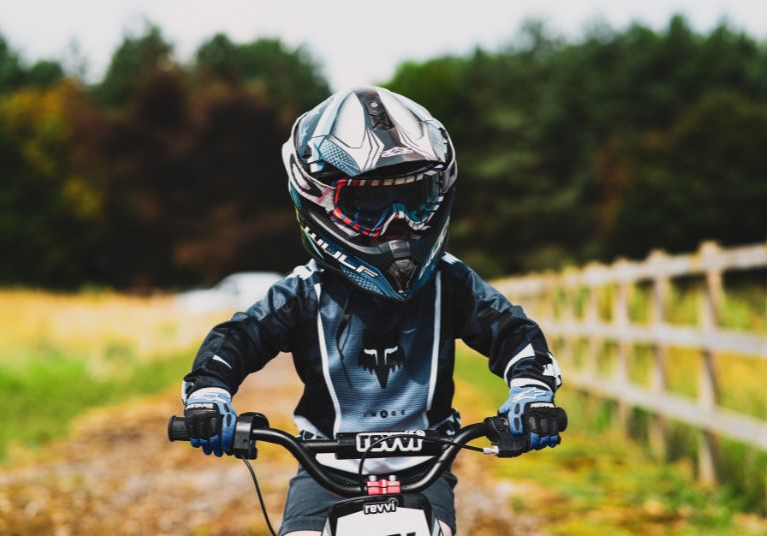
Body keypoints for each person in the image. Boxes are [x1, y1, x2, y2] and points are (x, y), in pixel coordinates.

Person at [180, 86, 564, 536]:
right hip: (324, 470)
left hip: (427, 467)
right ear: (318, 201)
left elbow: (513, 332)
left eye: (415, 198)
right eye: (370, 204)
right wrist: (209, 395)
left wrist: (530, 393)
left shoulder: (451, 281)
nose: (396, 225)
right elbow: (238, 338)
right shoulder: (305, 291)